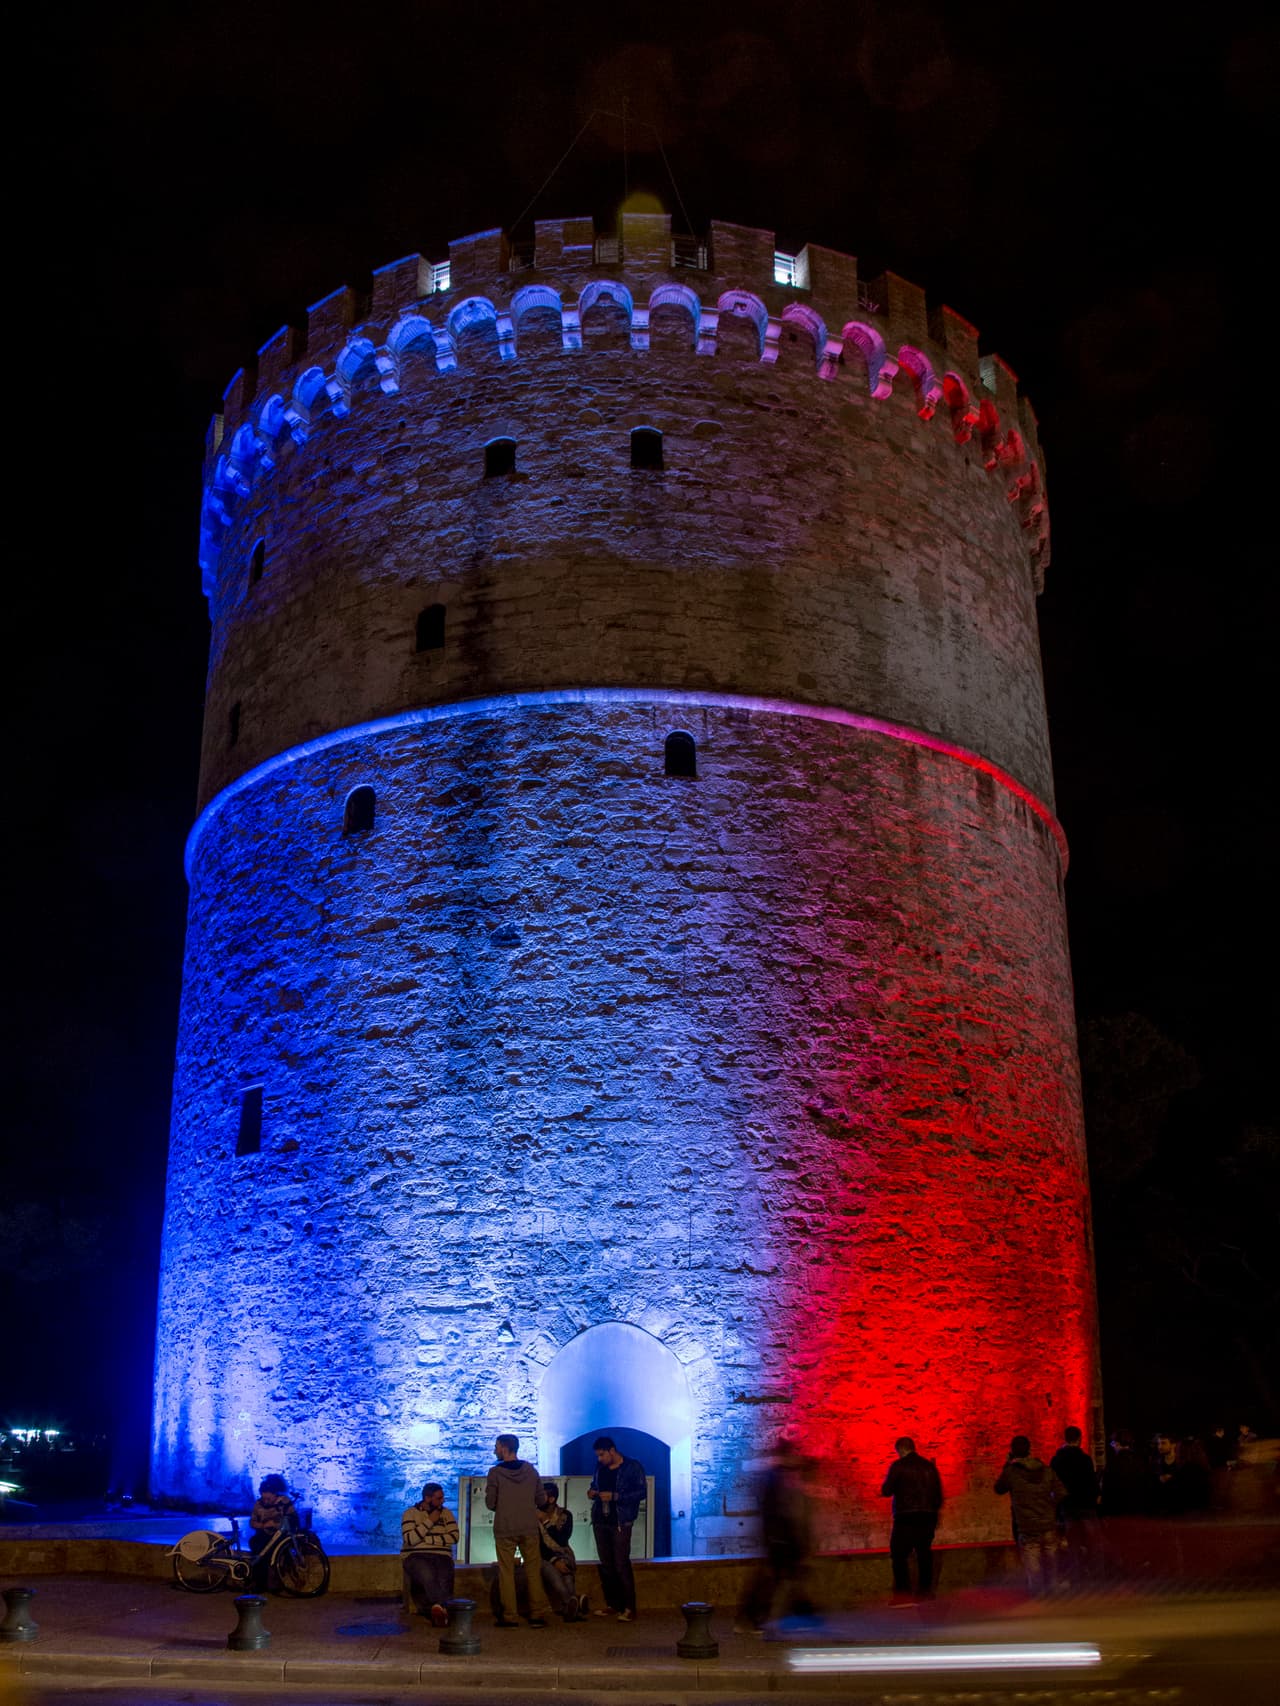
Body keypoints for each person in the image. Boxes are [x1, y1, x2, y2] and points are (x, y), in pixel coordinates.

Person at [735, 1437, 819, 1633]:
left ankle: (798, 1615)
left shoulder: (779, 1476)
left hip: (781, 1537)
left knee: (787, 1577)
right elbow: (775, 1510)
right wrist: (778, 1537)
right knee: (774, 1579)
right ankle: (751, 1618)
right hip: (779, 1538)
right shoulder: (775, 1478)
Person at [485, 1434, 552, 1627]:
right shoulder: (530, 1470)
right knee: (533, 1570)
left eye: (496, 1446)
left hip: (505, 1527)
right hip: (529, 1526)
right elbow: (541, 1500)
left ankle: (510, 1616)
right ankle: (537, 1614)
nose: (494, 1450)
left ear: (505, 1448)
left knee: (506, 1572)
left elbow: (490, 1503)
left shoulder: (495, 1473)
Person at [994, 1437, 1065, 1593]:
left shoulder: (1011, 1472)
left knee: (1032, 1559)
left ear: (1012, 1451)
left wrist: (1007, 1464)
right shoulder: (1046, 1470)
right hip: (1047, 1521)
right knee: (1051, 1556)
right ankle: (1053, 1587)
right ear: (1029, 1449)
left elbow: (998, 1489)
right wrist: (1049, 1506)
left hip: (1027, 1524)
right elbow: (1061, 1492)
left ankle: (1038, 1592)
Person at [588, 1435, 647, 1622]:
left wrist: (615, 1496)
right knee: (607, 1565)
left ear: (612, 1451)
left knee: (621, 1563)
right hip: (601, 1520)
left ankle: (629, 1607)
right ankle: (613, 1604)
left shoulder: (632, 1467)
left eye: (602, 1455)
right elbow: (594, 1484)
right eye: (598, 1456)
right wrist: (593, 1492)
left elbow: (641, 1492)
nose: (600, 1459)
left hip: (620, 1521)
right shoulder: (600, 1468)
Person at [880, 1436, 944, 1605]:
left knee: (898, 1554)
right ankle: (925, 1593)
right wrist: (933, 1512)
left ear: (900, 1449)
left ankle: (902, 1594)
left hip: (905, 1516)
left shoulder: (898, 1466)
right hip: (928, 1516)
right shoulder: (929, 1467)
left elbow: (887, 1490)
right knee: (924, 1553)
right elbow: (938, 1495)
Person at [401, 1481, 458, 1625]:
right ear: (427, 1498)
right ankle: (443, 1609)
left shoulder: (447, 1514)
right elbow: (410, 1539)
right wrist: (430, 1522)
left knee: (445, 1574)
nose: (443, 1501)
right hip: (416, 1555)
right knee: (427, 1574)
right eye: (439, 1498)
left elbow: (454, 1537)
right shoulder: (410, 1513)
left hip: (441, 1555)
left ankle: (437, 1609)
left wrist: (426, 1539)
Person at [1050, 1426, 1100, 1578]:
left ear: (1065, 1438)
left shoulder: (1057, 1459)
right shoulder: (1085, 1459)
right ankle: (1094, 1573)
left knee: (1073, 1542)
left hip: (1068, 1505)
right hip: (1085, 1505)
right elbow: (1092, 1482)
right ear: (1079, 1439)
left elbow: (1054, 1483)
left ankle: (1076, 1573)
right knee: (1093, 1541)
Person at [537, 1482, 586, 1620]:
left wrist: (546, 1522)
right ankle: (573, 1602)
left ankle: (570, 1609)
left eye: (541, 1495)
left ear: (551, 1499)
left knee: (567, 1576)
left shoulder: (565, 1515)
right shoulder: (533, 1515)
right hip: (544, 1556)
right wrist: (554, 1560)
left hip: (563, 1553)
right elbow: (538, 1545)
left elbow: (562, 1539)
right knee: (555, 1576)